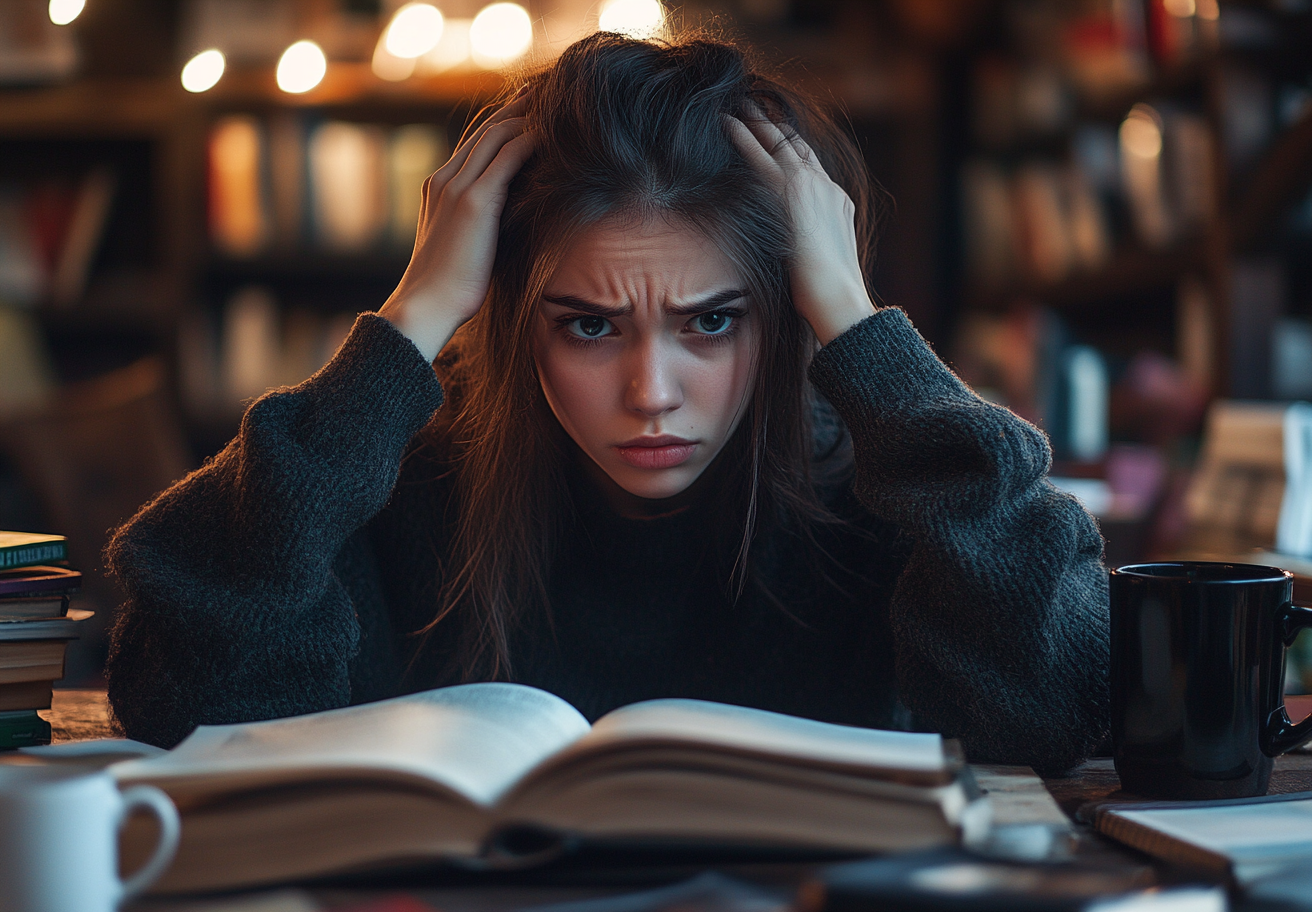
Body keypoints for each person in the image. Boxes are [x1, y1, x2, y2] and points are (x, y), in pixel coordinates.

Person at [105, 32, 1109, 775]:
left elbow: (1050, 713)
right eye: (587, 325)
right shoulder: (407, 488)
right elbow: (184, 697)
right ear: (509, 318)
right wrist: (413, 316)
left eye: (713, 323)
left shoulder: (881, 496)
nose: (652, 394)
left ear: (786, 312)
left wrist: (855, 324)